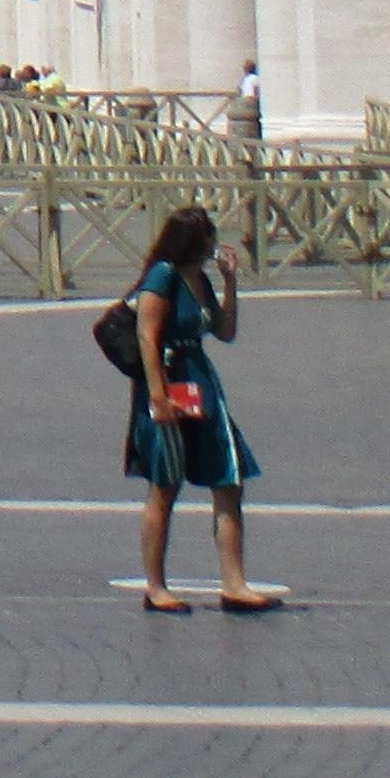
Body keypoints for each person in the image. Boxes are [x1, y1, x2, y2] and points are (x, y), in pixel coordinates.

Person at [125, 205, 277, 615]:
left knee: (229, 479)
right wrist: (157, 395)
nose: (214, 245)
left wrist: (229, 283)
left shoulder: (201, 279)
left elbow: (225, 331)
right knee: (165, 484)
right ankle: (156, 587)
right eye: (209, 237)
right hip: (168, 384)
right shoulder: (164, 276)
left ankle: (234, 583)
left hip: (200, 384)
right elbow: (147, 333)